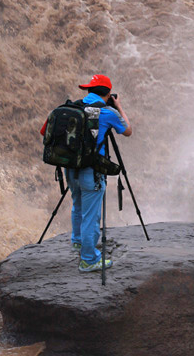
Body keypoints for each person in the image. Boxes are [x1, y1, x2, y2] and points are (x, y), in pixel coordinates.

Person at [68, 74, 132, 273]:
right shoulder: (108, 112)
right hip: (91, 172)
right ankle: (88, 259)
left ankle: (78, 242)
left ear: (88, 91)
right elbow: (127, 131)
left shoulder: (72, 107)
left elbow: (46, 132)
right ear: (108, 94)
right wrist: (118, 106)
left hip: (70, 168)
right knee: (91, 216)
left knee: (77, 203)